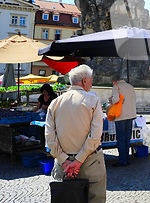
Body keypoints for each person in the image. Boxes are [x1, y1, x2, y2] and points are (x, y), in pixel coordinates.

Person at [45, 65, 106, 203]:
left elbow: (50, 137)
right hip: (90, 162)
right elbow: (95, 136)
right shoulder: (93, 101)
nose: (91, 84)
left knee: (66, 199)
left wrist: (65, 161)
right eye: (90, 81)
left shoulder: (55, 103)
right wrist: (78, 160)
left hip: (63, 165)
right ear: (84, 80)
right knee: (95, 199)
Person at [109, 74, 137, 167]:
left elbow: (116, 99)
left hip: (121, 116)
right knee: (127, 138)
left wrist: (111, 100)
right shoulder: (131, 87)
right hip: (131, 115)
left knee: (121, 139)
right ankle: (127, 158)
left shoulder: (116, 87)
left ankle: (122, 160)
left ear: (114, 81)